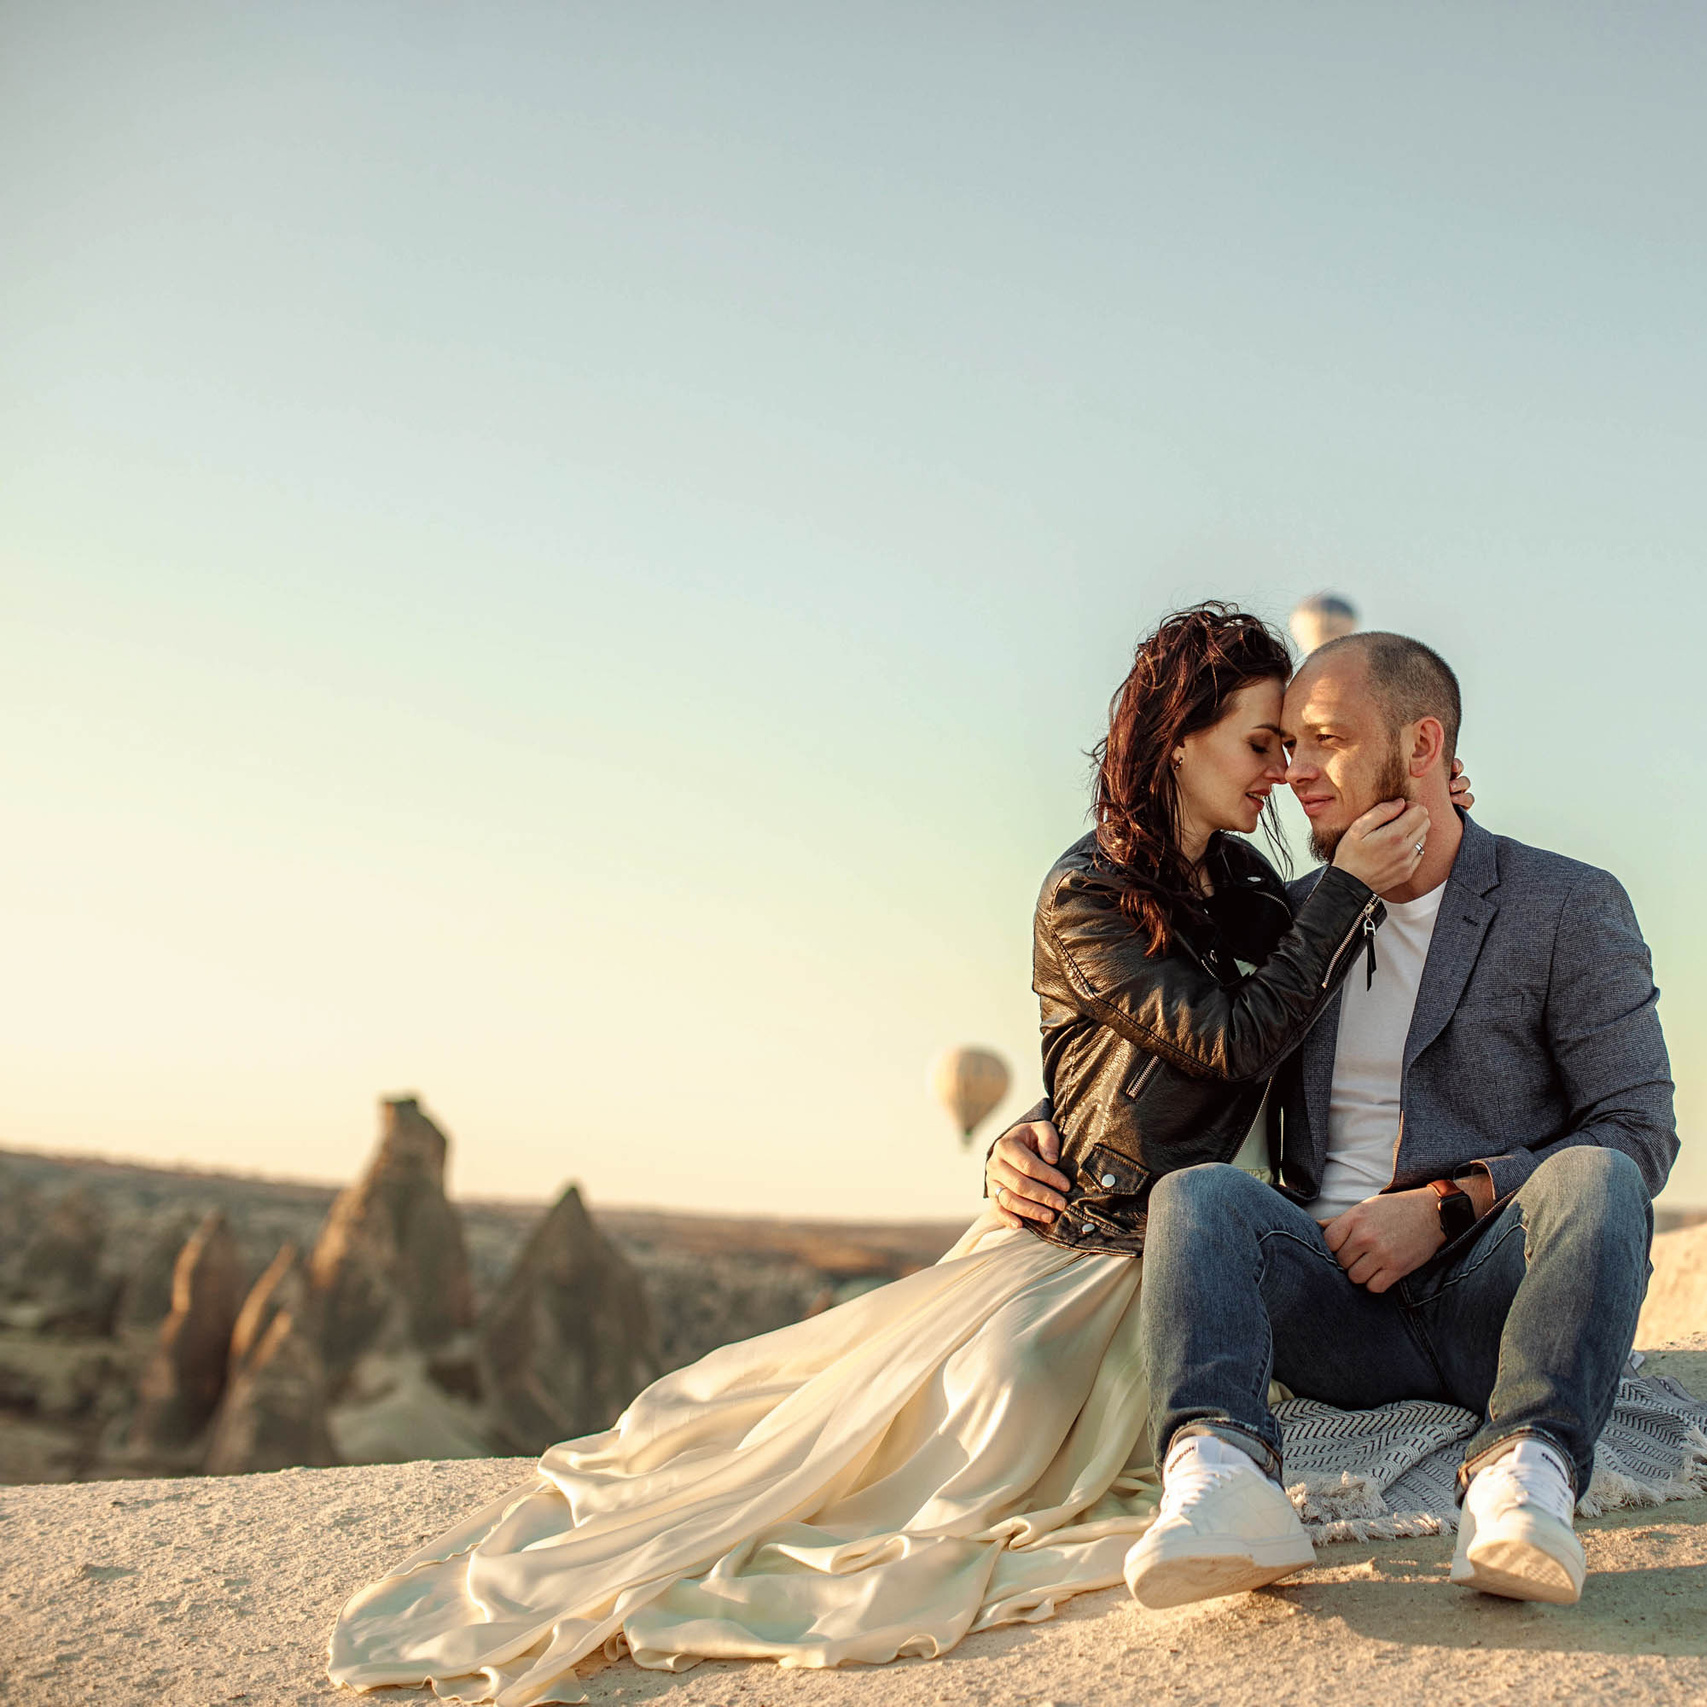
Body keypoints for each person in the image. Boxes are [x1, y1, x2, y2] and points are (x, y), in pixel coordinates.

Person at [326, 604, 1457, 1705]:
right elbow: (1230, 1035)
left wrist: (1421, 810)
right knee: (961, 1451)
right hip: (1087, 1241)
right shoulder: (1083, 893)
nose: (1276, 771)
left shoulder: (1254, 889)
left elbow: (1325, 946)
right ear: (1178, 737)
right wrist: (1031, 1130)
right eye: (1261, 744)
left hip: (1200, 1241)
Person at [989, 629, 1674, 1609]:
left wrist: (1450, 1201)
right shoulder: (1295, 916)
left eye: (1323, 743)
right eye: (1281, 746)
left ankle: (1524, 1480)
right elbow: (1187, 1046)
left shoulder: (1564, 904)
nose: (1294, 773)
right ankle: (1220, 1482)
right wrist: (1033, 1127)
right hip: (1331, 1311)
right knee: (1200, 1198)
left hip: (1495, 1299)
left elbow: (1638, 1129)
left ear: (1423, 746)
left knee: (1600, 1175)